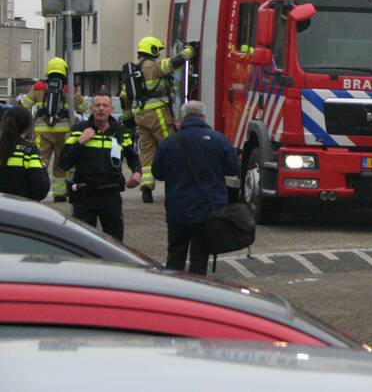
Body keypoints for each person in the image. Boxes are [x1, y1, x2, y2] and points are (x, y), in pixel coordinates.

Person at [153, 100, 239, 275]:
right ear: (203, 117)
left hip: (178, 210)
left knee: (175, 255)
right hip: (208, 211)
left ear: (182, 119)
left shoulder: (169, 143)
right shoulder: (219, 140)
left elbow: (157, 173)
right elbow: (233, 169)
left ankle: (171, 295)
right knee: (200, 257)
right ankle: (196, 293)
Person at [60, 92, 141, 241]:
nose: (101, 109)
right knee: (82, 244)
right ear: (91, 108)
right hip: (84, 197)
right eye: (98, 105)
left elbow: (133, 157)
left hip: (111, 196)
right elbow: (64, 163)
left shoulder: (120, 132)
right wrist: (80, 142)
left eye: (105, 105)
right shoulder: (79, 130)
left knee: (115, 244)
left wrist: (137, 173)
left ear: (111, 109)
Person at [126, 36, 196, 203]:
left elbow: (124, 94)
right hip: (157, 113)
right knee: (171, 146)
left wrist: (128, 116)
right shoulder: (153, 65)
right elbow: (172, 64)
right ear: (153, 50)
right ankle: (177, 184)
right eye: (158, 51)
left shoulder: (135, 69)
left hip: (140, 115)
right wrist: (190, 51)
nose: (159, 55)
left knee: (147, 152)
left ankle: (147, 188)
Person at [18, 57, 85, 202]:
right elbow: (82, 107)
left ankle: (35, 191)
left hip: (42, 131)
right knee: (61, 162)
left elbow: (25, 106)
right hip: (63, 131)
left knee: (40, 161)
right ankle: (60, 194)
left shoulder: (38, 87)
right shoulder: (69, 88)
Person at [0, 105, 50, 201]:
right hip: (22, 209)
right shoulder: (29, 151)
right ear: (28, 126)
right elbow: (40, 188)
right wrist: (42, 168)